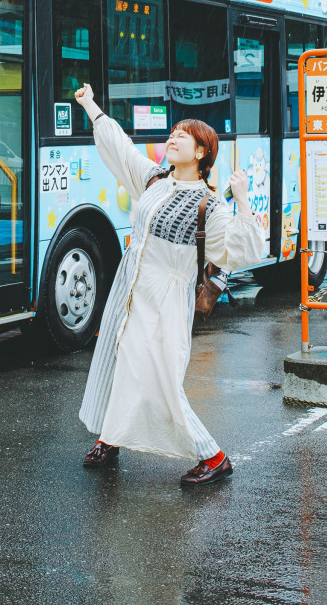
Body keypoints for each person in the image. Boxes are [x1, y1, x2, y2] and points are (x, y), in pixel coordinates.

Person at [76, 83, 263, 486]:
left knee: (159, 375)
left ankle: (212, 455)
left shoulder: (208, 204)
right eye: (173, 132)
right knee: (118, 361)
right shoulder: (154, 180)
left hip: (166, 297)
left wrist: (243, 199)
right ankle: (110, 438)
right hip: (131, 289)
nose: (173, 137)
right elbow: (122, 149)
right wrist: (91, 106)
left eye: (184, 135)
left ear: (200, 153)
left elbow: (241, 250)